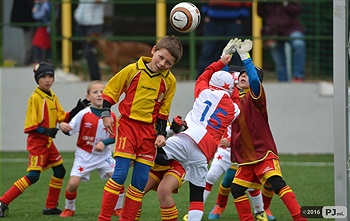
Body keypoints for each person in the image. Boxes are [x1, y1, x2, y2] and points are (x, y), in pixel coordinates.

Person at [97, 35, 183, 221]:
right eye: (161, 57)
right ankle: (103, 218)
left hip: (149, 134)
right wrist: (105, 114)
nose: (162, 63)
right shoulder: (132, 69)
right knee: (119, 175)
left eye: (168, 63)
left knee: (140, 181)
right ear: (153, 50)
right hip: (128, 126)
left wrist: (161, 133)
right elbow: (112, 90)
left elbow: (163, 110)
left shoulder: (170, 81)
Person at [156, 48, 241, 220]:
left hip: (188, 137)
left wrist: (221, 62)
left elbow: (204, 74)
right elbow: (236, 98)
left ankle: (144, 163)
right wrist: (234, 87)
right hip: (205, 152)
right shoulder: (234, 108)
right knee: (196, 196)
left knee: (150, 151)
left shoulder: (203, 91)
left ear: (212, 82)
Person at [230, 38, 307, 220]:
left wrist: (245, 57)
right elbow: (220, 81)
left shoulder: (255, 97)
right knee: (236, 189)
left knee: (276, 183)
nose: (243, 75)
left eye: (247, 74)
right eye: (241, 73)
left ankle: (300, 218)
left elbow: (255, 80)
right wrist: (225, 57)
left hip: (263, 152)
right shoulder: (234, 98)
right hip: (247, 157)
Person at [0, 62, 88, 217]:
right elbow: (29, 127)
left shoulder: (52, 96)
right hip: (37, 143)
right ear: (37, 80)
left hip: (48, 143)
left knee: (60, 171)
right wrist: (47, 130)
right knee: (33, 176)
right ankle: (3, 202)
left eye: (50, 76)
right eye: (44, 77)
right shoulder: (34, 98)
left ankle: (50, 207)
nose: (48, 80)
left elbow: (63, 117)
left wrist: (80, 107)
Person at [58, 80, 124, 218]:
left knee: (118, 179)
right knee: (72, 184)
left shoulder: (111, 116)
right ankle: (69, 208)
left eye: (102, 92)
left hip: (104, 156)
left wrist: (104, 142)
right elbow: (69, 130)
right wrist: (62, 126)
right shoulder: (83, 114)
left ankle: (118, 208)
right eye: (95, 92)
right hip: (84, 155)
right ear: (88, 97)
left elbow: (116, 136)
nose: (100, 94)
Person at [136, 116, 187, 221]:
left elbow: (175, 130)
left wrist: (179, 128)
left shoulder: (163, 124)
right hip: (154, 168)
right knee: (135, 192)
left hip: (175, 165)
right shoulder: (137, 124)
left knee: (163, 191)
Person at [196, 0, 252, 78]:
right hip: (213, 22)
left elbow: (248, 4)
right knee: (208, 52)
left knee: (236, 53)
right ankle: (202, 78)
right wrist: (205, 14)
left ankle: (238, 79)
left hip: (234, 22)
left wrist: (242, 18)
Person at [257, 1, 306, 82]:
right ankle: (283, 83)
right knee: (279, 63)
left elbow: (298, 10)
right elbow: (260, 13)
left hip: (292, 28)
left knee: (299, 44)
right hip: (272, 32)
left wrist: (285, 3)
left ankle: (298, 76)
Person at [74, 0, 107, 81]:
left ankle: (96, 77)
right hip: (81, 24)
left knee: (90, 51)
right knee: (86, 50)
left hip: (94, 24)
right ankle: (91, 75)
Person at [10, 0, 35, 65]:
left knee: (31, 44)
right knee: (29, 45)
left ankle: (28, 61)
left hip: (32, 22)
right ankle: (27, 62)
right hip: (29, 23)